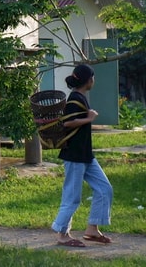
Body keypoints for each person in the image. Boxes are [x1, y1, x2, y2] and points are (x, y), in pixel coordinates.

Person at [52, 63, 113, 247]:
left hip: (86, 155)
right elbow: (67, 123)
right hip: (74, 155)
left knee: (104, 189)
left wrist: (87, 117)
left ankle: (92, 230)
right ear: (88, 80)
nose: (93, 80)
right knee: (72, 197)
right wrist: (89, 118)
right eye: (92, 77)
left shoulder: (80, 97)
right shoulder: (74, 99)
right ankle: (62, 234)